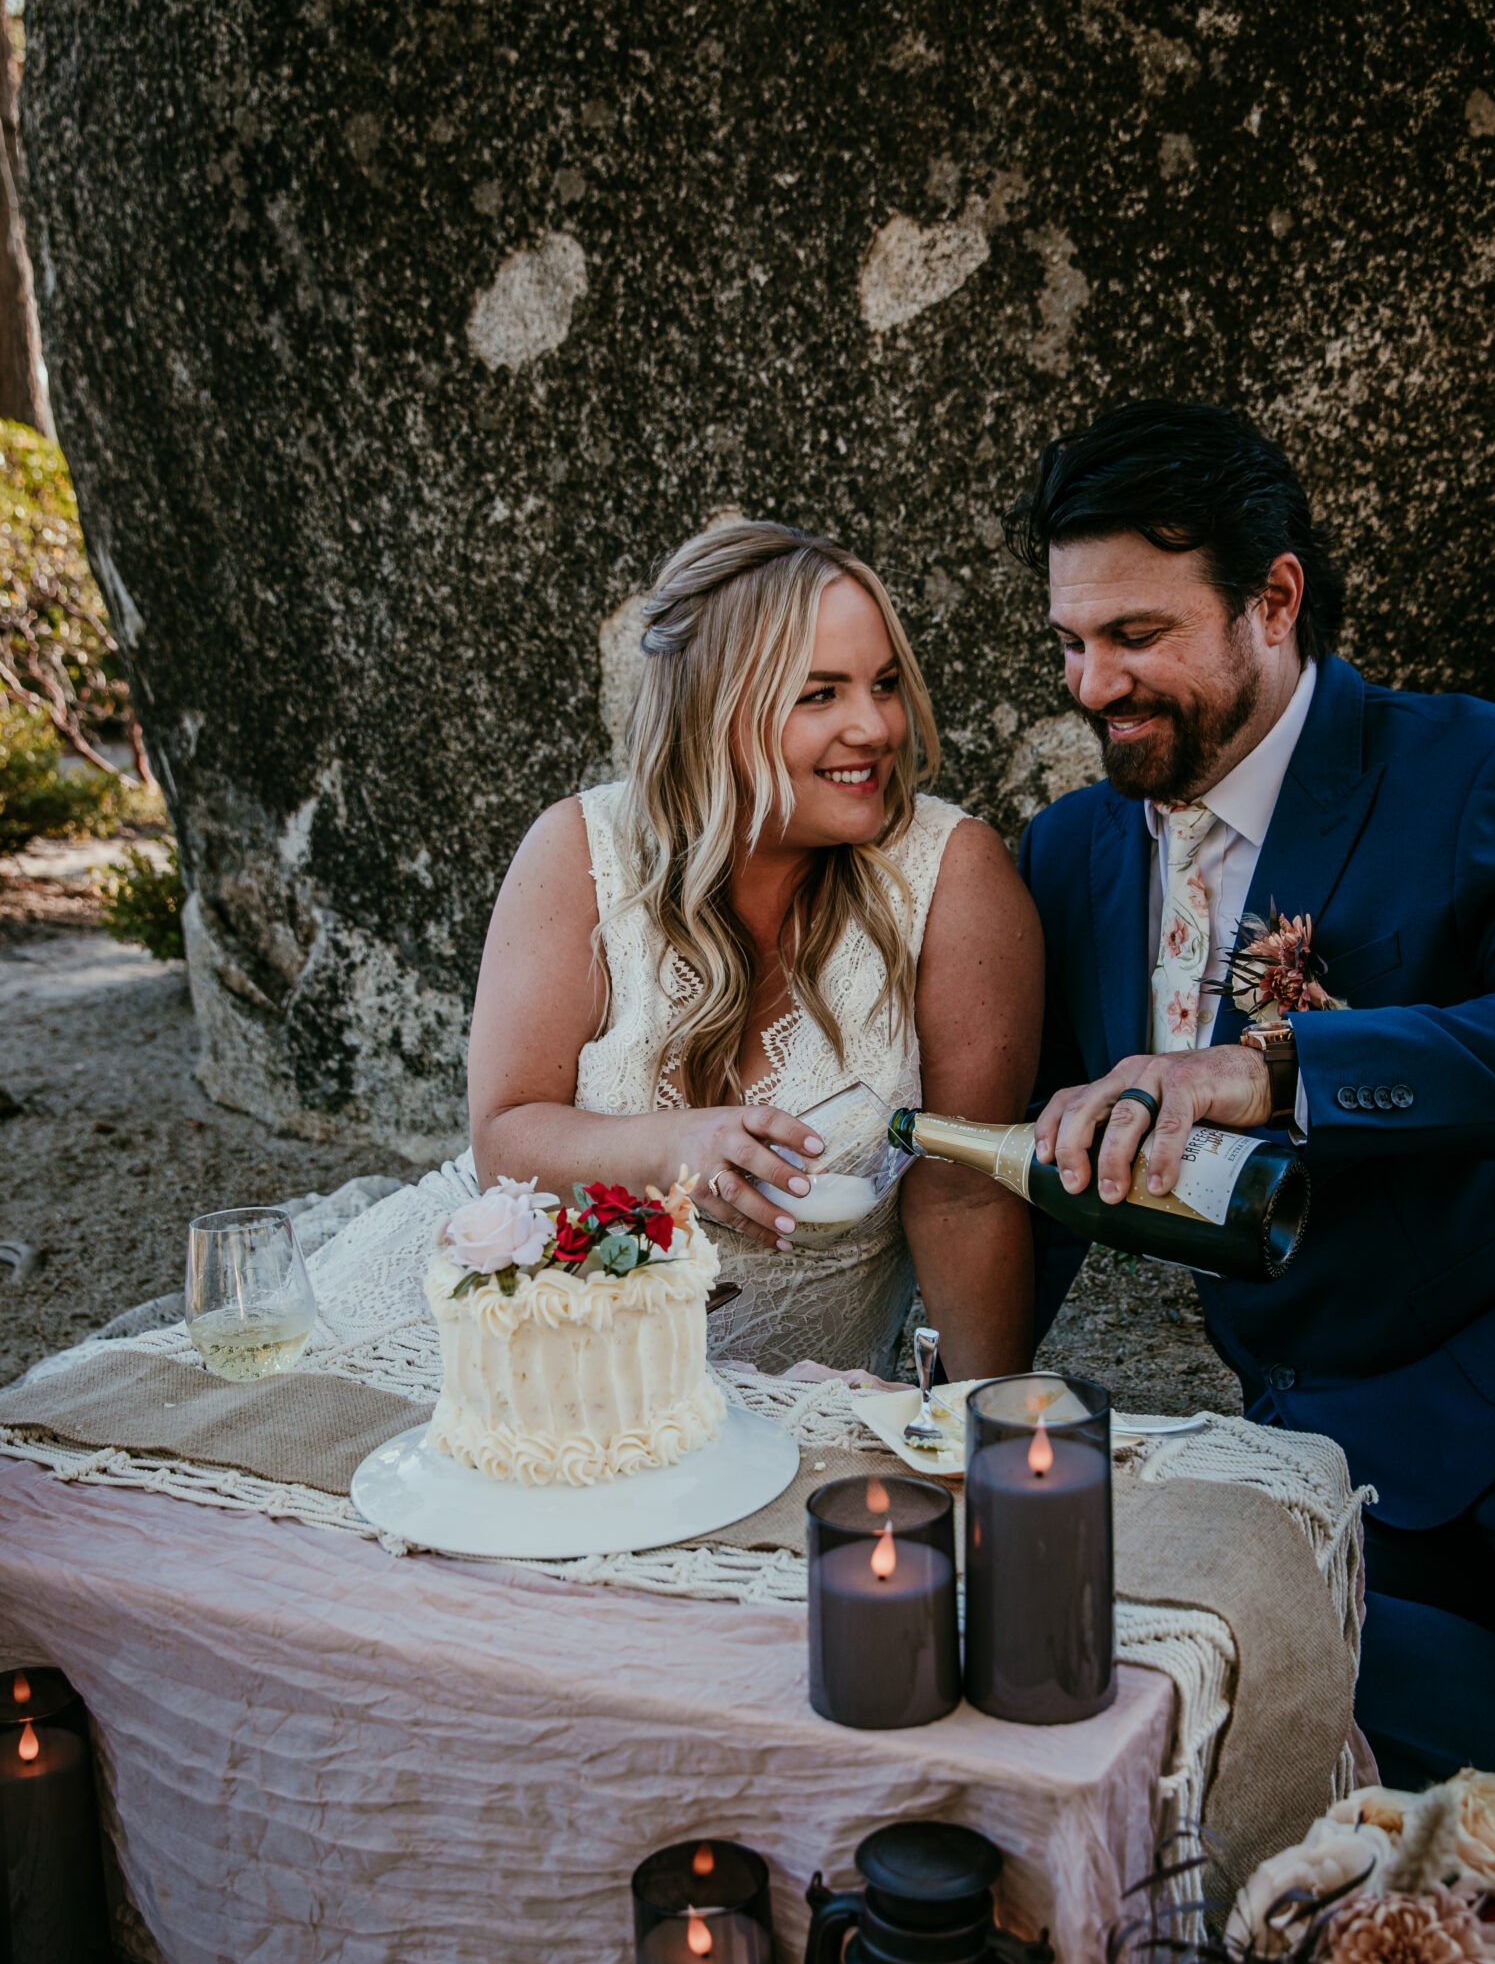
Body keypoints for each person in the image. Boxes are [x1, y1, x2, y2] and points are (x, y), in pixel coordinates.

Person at [1011, 398, 1495, 1811]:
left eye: (1134, 637)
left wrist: (1273, 1068)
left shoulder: (1475, 770)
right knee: (1206, 1690)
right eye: (1070, 644)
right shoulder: (1066, 855)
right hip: (1330, 1443)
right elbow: (1032, 1164)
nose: (1091, 686)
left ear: (1272, 599)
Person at [315, 519, 1042, 1381]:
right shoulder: (582, 850)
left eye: (882, 684)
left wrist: (986, 1441)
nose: (876, 726)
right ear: (714, 711)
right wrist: (676, 1149)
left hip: (777, 1405)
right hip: (489, 1331)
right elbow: (505, 1139)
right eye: (819, 694)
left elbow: (965, 1195)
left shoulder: (950, 875)